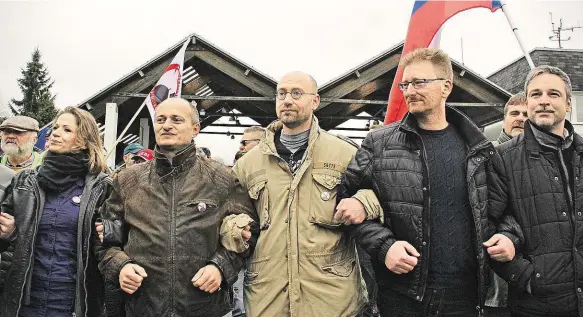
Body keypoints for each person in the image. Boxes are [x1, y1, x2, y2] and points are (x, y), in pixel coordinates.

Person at [337, 48, 520, 317]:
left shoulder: (478, 148)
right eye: (405, 84)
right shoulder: (379, 144)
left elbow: (505, 210)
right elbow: (344, 201)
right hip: (402, 295)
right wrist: (384, 246)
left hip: (466, 295)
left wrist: (508, 236)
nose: (409, 91)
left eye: (419, 82)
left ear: (446, 86)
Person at [220, 71, 383, 317]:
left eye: (297, 93)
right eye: (282, 94)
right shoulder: (248, 164)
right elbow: (227, 216)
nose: (287, 100)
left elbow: (382, 195)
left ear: (315, 101)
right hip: (269, 297)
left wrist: (363, 202)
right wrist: (235, 228)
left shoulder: (344, 153)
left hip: (331, 298)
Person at [96, 97, 254, 317]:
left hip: (205, 307)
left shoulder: (222, 179)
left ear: (195, 128)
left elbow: (247, 236)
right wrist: (120, 266)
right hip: (142, 307)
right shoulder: (127, 180)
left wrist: (220, 267)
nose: (166, 125)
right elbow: (104, 240)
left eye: (176, 119)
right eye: (160, 119)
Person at [0, 106, 111, 317]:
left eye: (67, 130)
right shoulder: (25, 181)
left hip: (73, 303)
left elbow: (106, 246)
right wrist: (8, 234)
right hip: (24, 302)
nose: (56, 133)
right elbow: (5, 243)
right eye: (56, 127)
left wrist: (112, 232)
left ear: (85, 139)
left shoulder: (101, 187)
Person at [491, 65, 583, 317]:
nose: (543, 101)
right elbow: (488, 225)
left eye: (553, 94)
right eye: (535, 94)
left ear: (568, 105)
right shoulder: (502, 159)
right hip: (536, 304)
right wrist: (525, 276)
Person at [485, 92, 527, 317]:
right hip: (494, 266)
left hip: (531, 269)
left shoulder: (541, 158)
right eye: (515, 113)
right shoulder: (484, 154)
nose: (520, 118)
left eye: (526, 114)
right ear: (504, 119)